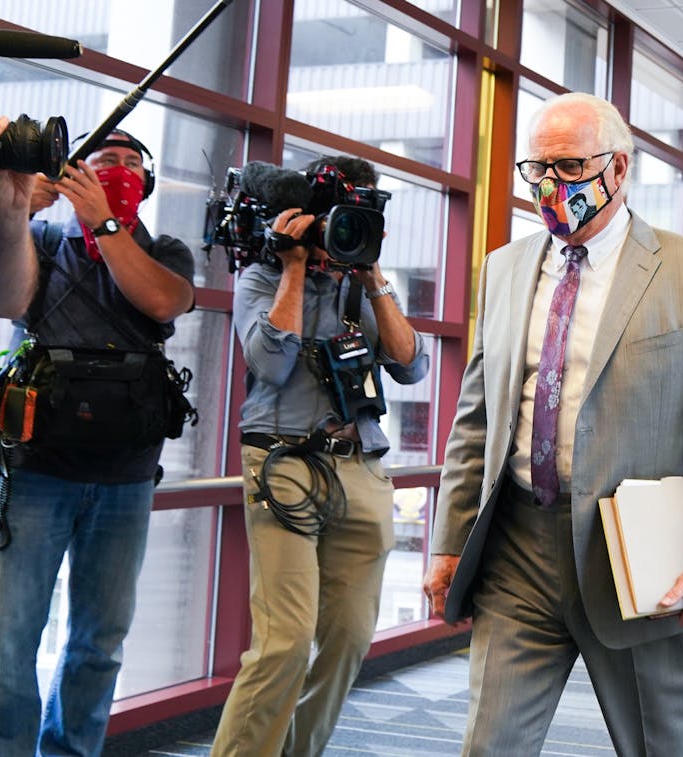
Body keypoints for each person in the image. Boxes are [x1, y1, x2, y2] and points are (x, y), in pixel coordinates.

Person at [422, 92, 683, 756]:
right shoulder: (504, 268)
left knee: (662, 745)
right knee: (487, 744)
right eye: (538, 168)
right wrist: (448, 542)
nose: (551, 185)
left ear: (619, 168)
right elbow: (477, 419)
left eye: (571, 166)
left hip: (636, 556)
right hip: (517, 548)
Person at [210, 155, 428, 757]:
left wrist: (372, 273)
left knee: (349, 639)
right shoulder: (261, 277)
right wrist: (294, 268)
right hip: (283, 464)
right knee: (285, 640)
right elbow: (270, 363)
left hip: (359, 467)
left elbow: (410, 365)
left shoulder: (364, 286)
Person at [0, 127, 196, 756]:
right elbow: (10, 298)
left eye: (132, 164)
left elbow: (163, 301)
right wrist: (17, 205)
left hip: (126, 478)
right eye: (104, 160)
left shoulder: (162, 249)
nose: (119, 169)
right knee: (8, 641)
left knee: (99, 644)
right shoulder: (44, 241)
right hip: (34, 470)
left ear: (147, 184)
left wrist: (105, 226)